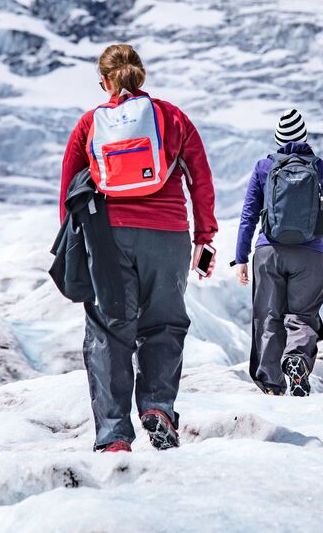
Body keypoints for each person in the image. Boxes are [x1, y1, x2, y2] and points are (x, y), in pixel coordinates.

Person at [59, 44, 217, 452]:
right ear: (140, 75)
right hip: (168, 236)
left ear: (105, 82)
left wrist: (74, 245)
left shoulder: (89, 124)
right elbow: (199, 177)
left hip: (110, 238)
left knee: (109, 331)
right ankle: (159, 407)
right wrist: (205, 237)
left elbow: (69, 188)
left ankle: (114, 436)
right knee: (164, 323)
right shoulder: (172, 117)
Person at [233, 109, 323, 397]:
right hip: (310, 254)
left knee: (268, 316)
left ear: (278, 139)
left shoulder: (264, 168)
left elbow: (248, 214)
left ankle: (272, 384)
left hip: (268, 252)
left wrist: (241, 257)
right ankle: (296, 359)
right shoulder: (321, 168)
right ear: (305, 137)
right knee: (303, 315)